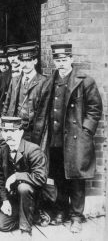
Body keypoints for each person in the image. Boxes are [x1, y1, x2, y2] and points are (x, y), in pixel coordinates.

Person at [32, 43, 103, 233]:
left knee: (76, 179)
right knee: (58, 177)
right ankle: (61, 211)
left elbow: (95, 110)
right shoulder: (49, 81)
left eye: (64, 60)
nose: (61, 63)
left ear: (71, 59)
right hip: (55, 139)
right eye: (58, 60)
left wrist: (85, 131)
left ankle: (76, 217)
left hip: (75, 140)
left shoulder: (84, 81)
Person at [0, 117, 47, 240]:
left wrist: (16, 176)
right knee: (2, 225)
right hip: (14, 198)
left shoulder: (33, 149)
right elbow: (0, 177)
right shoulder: (4, 150)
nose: (9, 135)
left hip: (35, 196)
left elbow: (41, 178)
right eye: (6, 131)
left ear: (21, 132)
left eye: (13, 131)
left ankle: (25, 229)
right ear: (2, 133)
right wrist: (4, 200)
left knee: (23, 187)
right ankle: (32, 216)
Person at [2, 45, 46, 140]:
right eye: (22, 61)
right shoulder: (15, 80)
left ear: (35, 61)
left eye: (28, 61)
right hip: (14, 128)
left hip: (32, 131)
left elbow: (44, 112)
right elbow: (7, 104)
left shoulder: (43, 82)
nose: (25, 64)